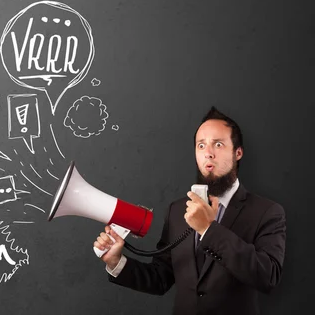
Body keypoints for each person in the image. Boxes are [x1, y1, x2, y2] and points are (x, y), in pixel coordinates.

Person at [94, 106, 286, 315]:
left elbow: (268, 276)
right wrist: (116, 261)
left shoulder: (267, 212)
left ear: (237, 152)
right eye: (201, 145)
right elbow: (160, 278)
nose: (208, 153)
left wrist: (208, 229)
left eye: (218, 144)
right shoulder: (177, 211)